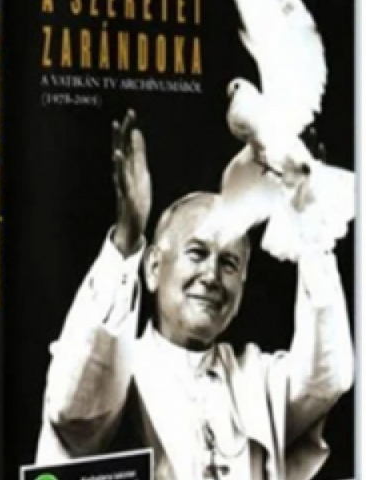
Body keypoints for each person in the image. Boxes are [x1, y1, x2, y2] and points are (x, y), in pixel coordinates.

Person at [36, 110, 354, 480]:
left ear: (241, 290)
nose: (212, 276)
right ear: (153, 268)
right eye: (197, 253)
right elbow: (74, 410)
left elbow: (327, 377)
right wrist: (125, 241)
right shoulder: (118, 370)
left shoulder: (258, 380)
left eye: (229, 263)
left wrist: (311, 230)